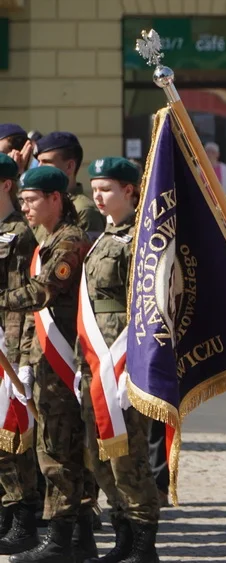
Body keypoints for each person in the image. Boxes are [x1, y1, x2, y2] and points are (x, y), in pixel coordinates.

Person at [0, 167, 92, 563]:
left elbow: (44, 291)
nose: (25, 205)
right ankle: (72, 538)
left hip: (62, 359)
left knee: (57, 450)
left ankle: (61, 540)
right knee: (58, 447)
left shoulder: (68, 240)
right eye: (22, 199)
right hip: (46, 356)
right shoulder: (47, 239)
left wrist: (2, 298)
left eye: (32, 198)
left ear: (56, 198)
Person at [73, 157, 162, 563]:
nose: (97, 196)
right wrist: (81, 366)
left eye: (106, 188)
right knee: (98, 455)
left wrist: (137, 370)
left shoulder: (144, 239)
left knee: (130, 457)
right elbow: (90, 309)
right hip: (96, 367)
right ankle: (122, 534)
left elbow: (151, 308)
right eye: (94, 188)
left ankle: (144, 545)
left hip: (125, 366)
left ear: (130, 191)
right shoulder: (102, 240)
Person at [0, 153, 40, 555]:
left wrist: (25, 355)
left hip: (11, 341)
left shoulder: (21, 233)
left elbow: (27, 300)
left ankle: (24, 519)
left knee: (14, 435)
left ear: (7, 184)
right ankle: (5, 510)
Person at [33, 132, 105, 239]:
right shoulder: (43, 203)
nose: (39, 168)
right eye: (38, 162)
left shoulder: (84, 210)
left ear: (69, 166)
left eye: (46, 162)